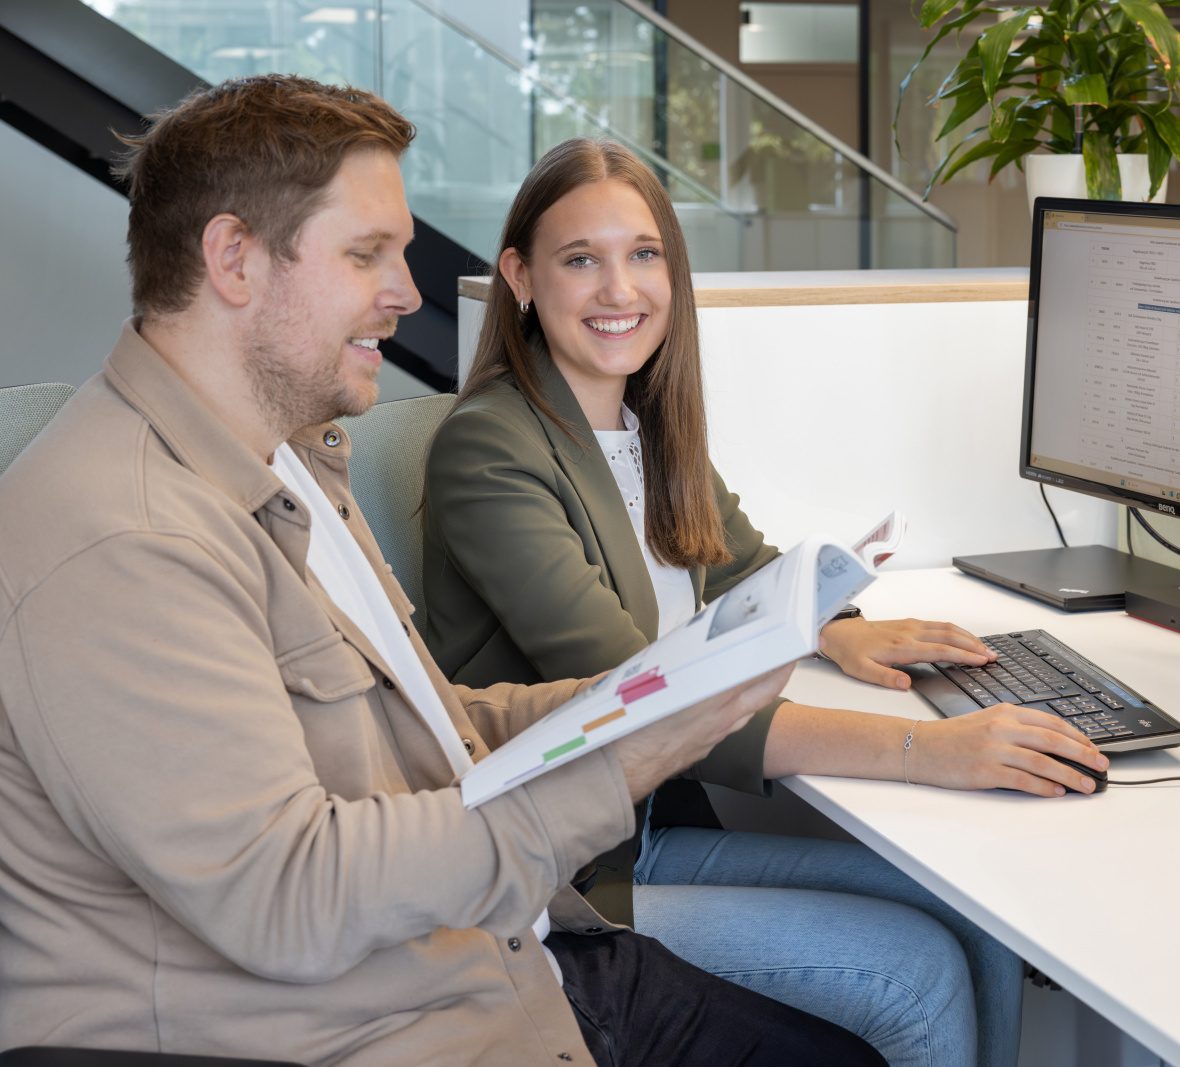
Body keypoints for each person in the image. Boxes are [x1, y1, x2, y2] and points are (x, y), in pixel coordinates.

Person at [0, 76, 892, 1067]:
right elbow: (291, 896)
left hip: (494, 959)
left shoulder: (288, 459)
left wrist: (644, 696)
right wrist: (632, 753)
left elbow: (437, 730)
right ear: (234, 258)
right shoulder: (129, 537)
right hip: (385, 1023)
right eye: (365, 254)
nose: (408, 294)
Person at [421, 138, 1111, 1067]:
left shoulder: (639, 421)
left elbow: (737, 564)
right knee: (913, 970)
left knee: (974, 910)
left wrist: (845, 628)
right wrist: (926, 748)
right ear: (521, 278)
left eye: (643, 254)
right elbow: (647, 699)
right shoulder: (491, 449)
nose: (618, 289)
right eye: (580, 260)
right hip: (569, 873)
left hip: (653, 825)